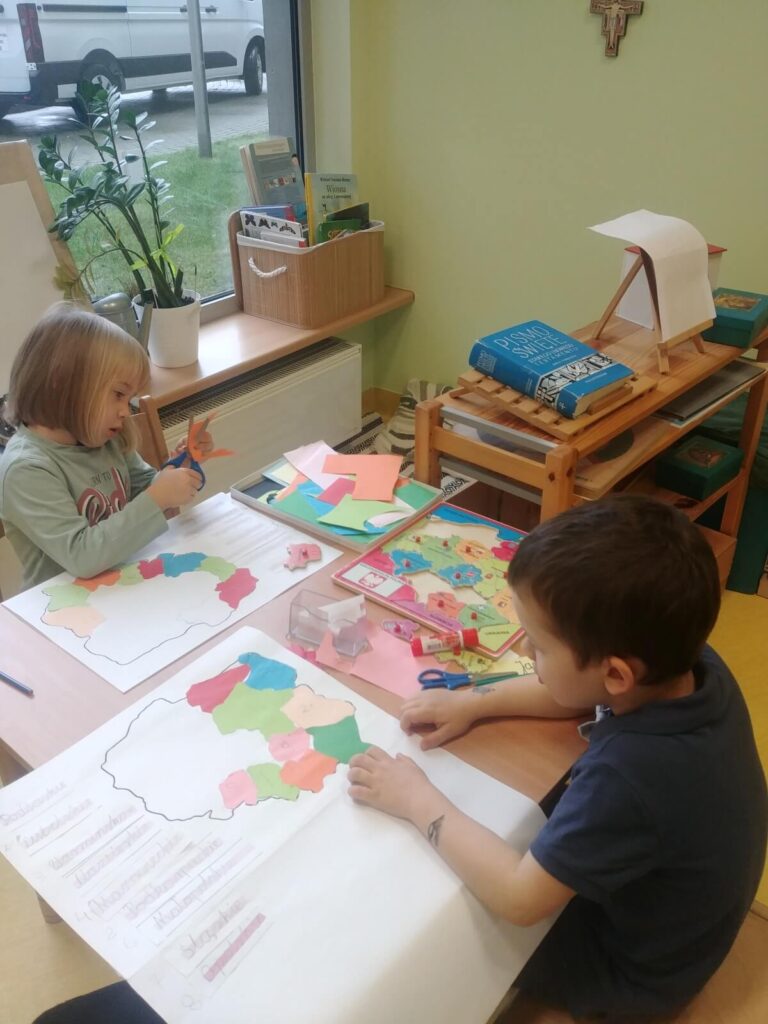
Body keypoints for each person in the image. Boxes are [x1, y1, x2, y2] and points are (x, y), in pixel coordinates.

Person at [348, 495, 768, 1020]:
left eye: (539, 647)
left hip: (630, 976)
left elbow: (520, 899)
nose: (525, 653)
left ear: (616, 672)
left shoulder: (630, 778)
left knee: (436, 914)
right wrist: (475, 703)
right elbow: (579, 693)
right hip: (680, 924)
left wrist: (416, 799)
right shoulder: (686, 662)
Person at [0, 304, 205, 591]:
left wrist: (175, 471)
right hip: (63, 605)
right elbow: (82, 556)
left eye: (129, 399)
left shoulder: (102, 438)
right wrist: (159, 497)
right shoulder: (26, 469)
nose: (125, 411)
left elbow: (145, 492)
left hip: (121, 584)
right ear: (62, 384)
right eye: (118, 394)